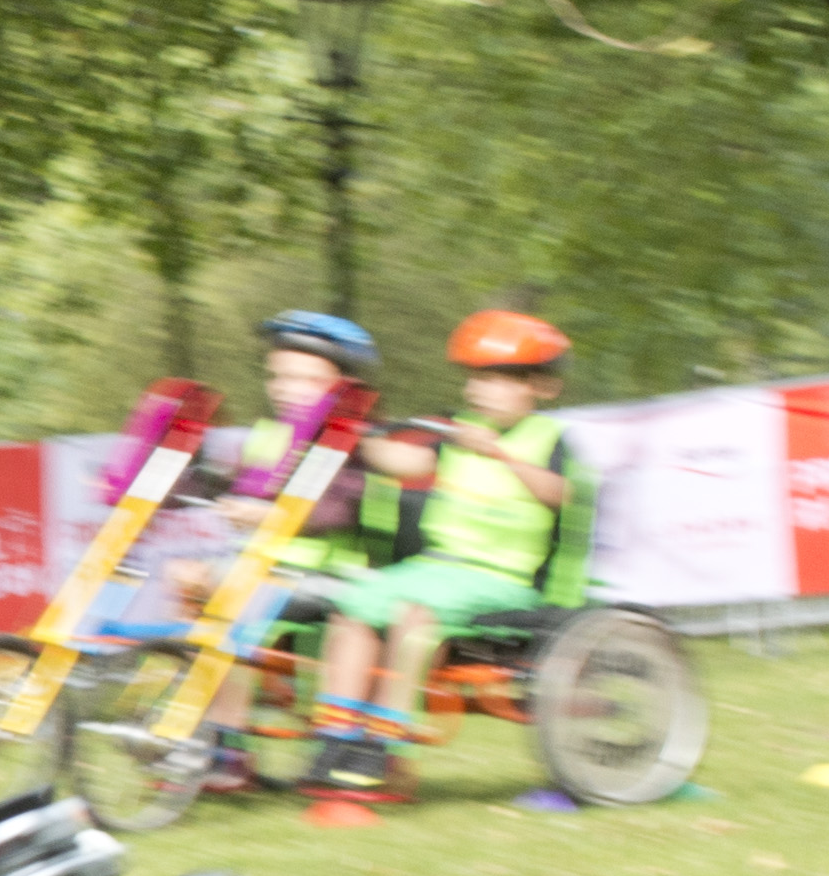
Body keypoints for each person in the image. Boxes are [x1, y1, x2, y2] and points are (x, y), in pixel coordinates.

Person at [293, 305, 585, 821]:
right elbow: (405, 462)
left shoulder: (550, 441)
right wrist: (357, 437)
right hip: (438, 568)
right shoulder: (457, 431)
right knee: (353, 607)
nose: (479, 390)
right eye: (476, 379)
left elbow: (560, 496)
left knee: (413, 616)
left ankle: (384, 747)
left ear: (541, 388)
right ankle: (333, 741)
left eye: (497, 380)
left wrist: (501, 455)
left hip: (503, 580)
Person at [148, 310, 374, 803]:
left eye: (304, 378)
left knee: (227, 591)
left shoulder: (347, 437)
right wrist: (174, 484)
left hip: (328, 574)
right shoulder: (270, 436)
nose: (286, 388)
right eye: (278, 376)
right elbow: (228, 485)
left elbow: (337, 506)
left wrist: (264, 516)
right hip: (264, 570)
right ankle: (210, 728)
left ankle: (224, 744)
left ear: (342, 384)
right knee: (188, 578)